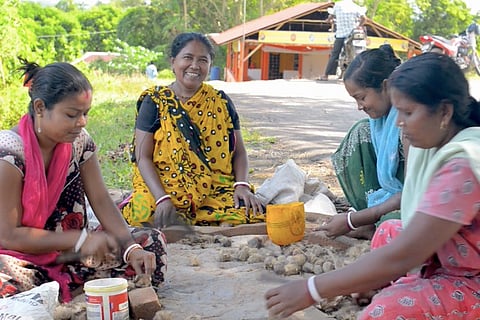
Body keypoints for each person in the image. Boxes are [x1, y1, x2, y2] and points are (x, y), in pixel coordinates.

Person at [265, 52, 480, 319]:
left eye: (408, 112)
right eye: (398, 111)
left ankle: (420, 289)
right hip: (450, 257)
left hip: (471, 278)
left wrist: (312, 289)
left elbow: (405, 255)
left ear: (445, 112)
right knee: (388, 231)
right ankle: (399, 283)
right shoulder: (433, 144)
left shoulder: (463, 164)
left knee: (385, 310)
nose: (399, 122)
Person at [0, 58, 167, 303]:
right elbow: (8, 236)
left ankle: (61, 292)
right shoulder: (10, 153)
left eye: (86, 114)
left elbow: (100, 200)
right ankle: (73, 290)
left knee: (151, 244)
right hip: (21, 256)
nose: (82, 122)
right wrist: (79, 240)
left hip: (73, 253)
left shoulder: (79, 142)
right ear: (39, 108)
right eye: (71, 114)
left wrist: (131, 248)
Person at [121, 32, 264, 229]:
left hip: (214, 188)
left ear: (210, 65)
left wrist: (242, 185)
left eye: (202, 60)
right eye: (187, 58)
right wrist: (161, 198)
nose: (194, 66)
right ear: (173, 62)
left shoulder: (220, 101)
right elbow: (142, 157)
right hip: (163, 186)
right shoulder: (155, 101)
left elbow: (239, 152)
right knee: (144, 214)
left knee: (251, 210)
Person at [319, 44, 405, 239]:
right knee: (360, 130)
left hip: (417, 202)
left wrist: (353, 220)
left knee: (393, 227)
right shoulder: (378, 125)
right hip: (395, 200)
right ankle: (370, 220)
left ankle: (373, 221)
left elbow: (414, 193)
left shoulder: (409, 124)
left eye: (362, 98)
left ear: (385, 86)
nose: (359, 106)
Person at [319, 0, 366, 81]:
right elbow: (364, 18)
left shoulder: (337, 5)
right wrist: (359, 25)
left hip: (341, 34)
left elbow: (331, 16)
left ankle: (326, 75)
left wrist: (328, 20)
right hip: (353, 33)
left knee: (335, 54)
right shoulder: (355, 6)